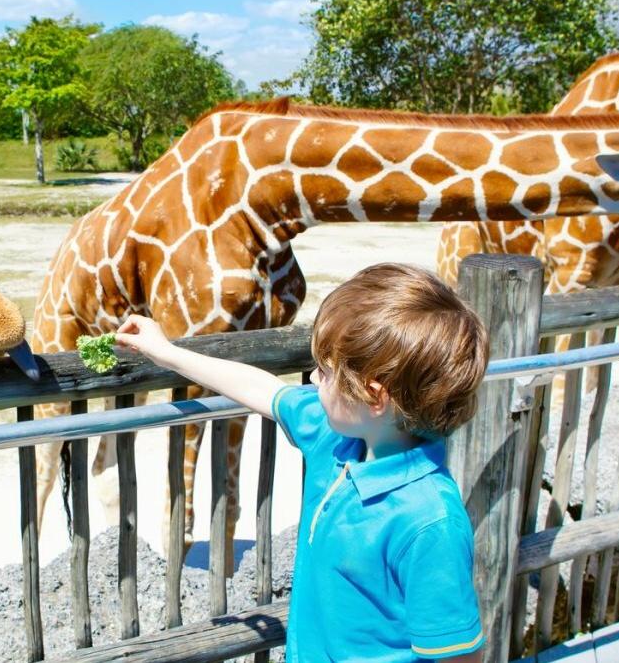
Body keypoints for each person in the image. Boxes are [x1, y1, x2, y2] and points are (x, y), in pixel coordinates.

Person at [116, 263, 489, 662]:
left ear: (374, 397)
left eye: (326, 373)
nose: (312, 379)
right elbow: (263, 389)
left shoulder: (429, 521)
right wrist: (167, 353)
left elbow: (457, 656)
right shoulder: (339, 437)